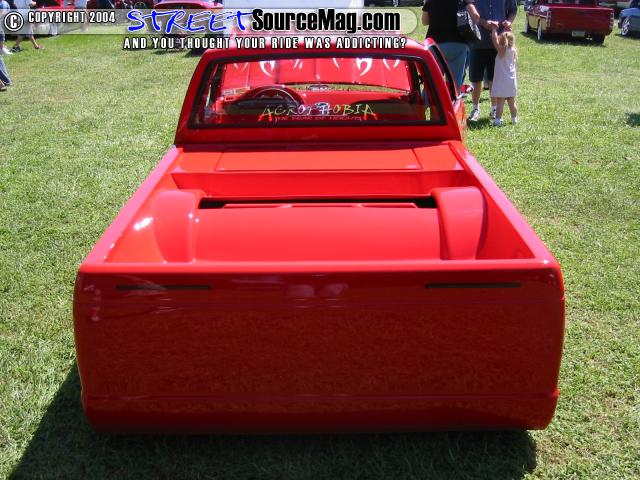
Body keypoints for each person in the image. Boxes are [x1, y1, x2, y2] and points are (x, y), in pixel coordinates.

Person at [468, 0, 517, 122]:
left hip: (499, 44)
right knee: (476, 79)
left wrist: (509, 22)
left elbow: (513, 10)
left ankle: (494, 109)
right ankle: (475, 109)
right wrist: (483, 23)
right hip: (477, 40)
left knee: (494, 78)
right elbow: (469, 7)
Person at [421, 0, 482, 90]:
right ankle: (452, 98)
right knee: (454, 84)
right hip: (457, 43)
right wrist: (469, 3)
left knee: (431, 83)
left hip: (434, 44)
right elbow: (476, 17)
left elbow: (425, 21)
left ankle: (426, 98)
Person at [489, 28, 517, 126]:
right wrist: (508, 30)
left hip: (501, 81)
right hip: (511, 81)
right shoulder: (513, 50)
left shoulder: (501, 50)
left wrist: (494, 30)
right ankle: (514, 120)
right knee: (511, 102)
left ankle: (497, 120)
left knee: (500, 102)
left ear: (502, 40)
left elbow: (494, 39)